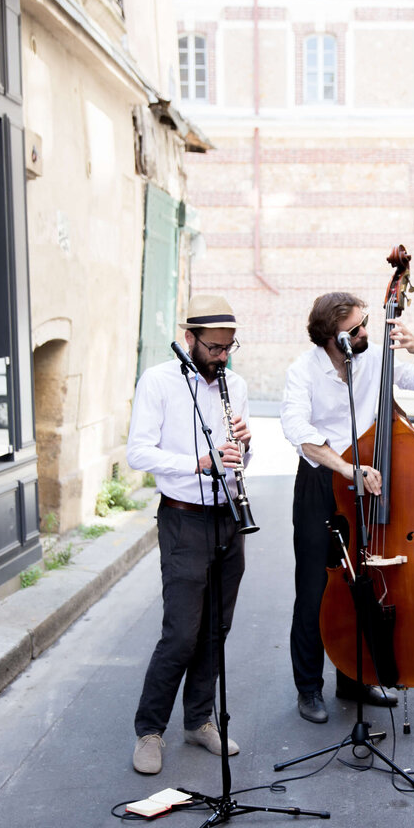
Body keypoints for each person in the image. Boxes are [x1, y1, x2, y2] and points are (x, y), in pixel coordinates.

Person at [280, 291, 414, 723]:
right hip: (321, 481)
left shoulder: (371, 358)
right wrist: (347, 467)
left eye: (365, 322)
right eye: (356, 329)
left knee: (363, 582)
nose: (366, 333)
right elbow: (298, 431)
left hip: (365, 480)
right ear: (334, 338)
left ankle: (354, 678)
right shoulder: (303, 371)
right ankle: (308, 689)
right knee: (316, 589)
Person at [127, 294, 252, 775]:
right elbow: (139, 452)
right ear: (190, 339)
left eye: (229, 347)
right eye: (216, 347)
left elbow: (239, 456)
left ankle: (198, 720)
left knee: (216, 630)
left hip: (228, 517)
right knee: (181, 632)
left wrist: (245, 446)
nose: (223, 355)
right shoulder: (158, 382)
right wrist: (195, 464)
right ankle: (149, 730)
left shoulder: (234, 385)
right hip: (182, 517)